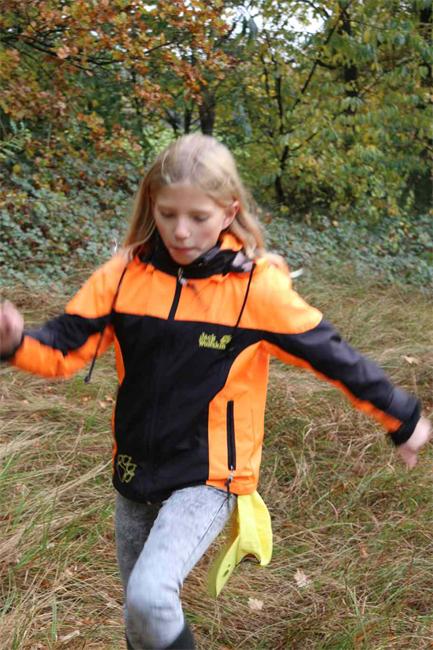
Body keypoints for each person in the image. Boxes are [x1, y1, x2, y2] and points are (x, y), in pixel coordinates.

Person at [0, 134, 430, 650]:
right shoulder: (123, 277)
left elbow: (335, 357)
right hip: (135, 470)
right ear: (151, 207)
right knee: (141, 618)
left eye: (198, 217)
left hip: (208, 477)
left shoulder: (255, 290)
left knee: (150, 599)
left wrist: (402, 416)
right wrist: (15, 343)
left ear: (229, 212)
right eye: (167, 214)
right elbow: (64, 347)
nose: (181, 231)